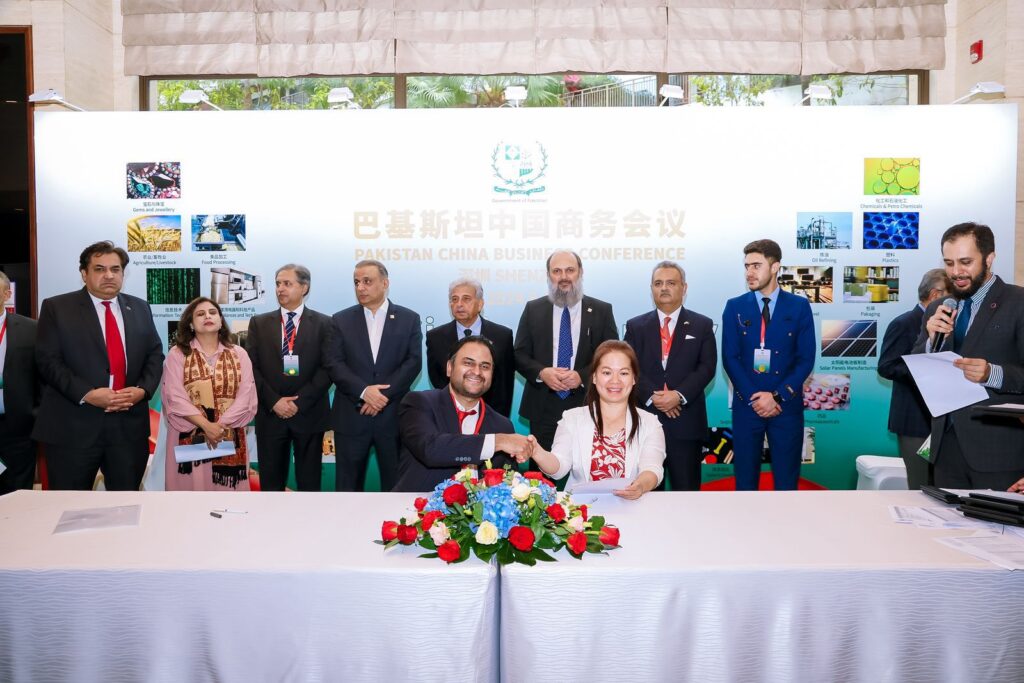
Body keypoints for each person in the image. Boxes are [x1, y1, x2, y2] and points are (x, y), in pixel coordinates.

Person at [33, 241, 163, 490]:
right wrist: (88, 394)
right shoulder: (57, 308)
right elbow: (48, 361)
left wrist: (142, 390)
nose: (109, 275)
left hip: (127, 429)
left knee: (126, 504)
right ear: (84, 274)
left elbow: (155, 355)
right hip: (73, 426)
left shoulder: (139, 307)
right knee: (69, 506)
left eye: (115, 269)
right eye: (100, 269)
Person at [911, 222, 1024, 490]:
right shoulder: (939, 308)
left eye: (965, 262)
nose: (956, 272)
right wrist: (930, 342)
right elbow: (916, 368)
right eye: (949, 263)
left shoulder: (1018, 303)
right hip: (945, 448)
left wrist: (992, 374)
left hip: (999, 453)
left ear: (989, 258)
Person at [721, 239, 815, 491]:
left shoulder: (799, 306)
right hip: (747, 406)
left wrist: (777, 396)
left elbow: (806, 358)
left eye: (756, 266)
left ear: (775, 267)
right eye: (746, 266)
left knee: (786, 482)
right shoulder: (735, 307)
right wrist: (756, 398)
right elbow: (730, 358)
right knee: (745, 482)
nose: (749, 273)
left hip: (785, 407)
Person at [326, 260, 422, 491]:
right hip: (351, 416)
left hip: (393, 417)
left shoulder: (409, 318)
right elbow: (334, 363)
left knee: (396, 486)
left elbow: (413, 362)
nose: (360, 287)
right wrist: (364, 392)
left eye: (367, 281)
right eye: (356, 282)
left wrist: (381, 396)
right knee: (347, 488)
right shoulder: (340, 320)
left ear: (385, 283)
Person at [527, 340, 665, 498]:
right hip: (581, 510)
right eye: (606, 373)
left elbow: (652, 468)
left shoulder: (650, 423)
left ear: (634, 378)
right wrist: (537, 452)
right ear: (594, 377)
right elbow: (559, 468)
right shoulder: (572, 418)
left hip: (632, 506)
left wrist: (640, 486)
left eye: (624, 373)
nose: (615, 380)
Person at [394, 335, 532, 492]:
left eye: (485, 366)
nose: (477, 372)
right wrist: (496, 442)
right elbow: (430, 449)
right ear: (449, 368)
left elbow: (506, 482)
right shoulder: (419, 403)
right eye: (468, 363)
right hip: (415, 504)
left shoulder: (502, 425)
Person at [624, 261, 716, 491]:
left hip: (685, 422)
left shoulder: (702, 325)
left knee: (686, 494)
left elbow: (706, 367)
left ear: (684, 288)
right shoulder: (635, 326)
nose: (664, 288)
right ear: (651, 289)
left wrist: (678, 395)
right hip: (645, 422)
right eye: (658, 283)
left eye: (671, 283)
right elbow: (628, 367)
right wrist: (653, 396)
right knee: (645, 495)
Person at [514, 250, 618, 451]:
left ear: (580, 272)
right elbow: (519, 354)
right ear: (548, 275)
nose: (564, 277)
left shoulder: (602, 310)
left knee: (586, 465)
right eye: (557, 271)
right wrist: (542, 373)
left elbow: (612, 357)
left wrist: (582, 376)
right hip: (543, 405)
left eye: (570, 270)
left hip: (587, 403)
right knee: (542, 467)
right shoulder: (533, 309)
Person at [247, 264, 332, 491]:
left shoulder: (325, 324)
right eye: (277, 284)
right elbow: (251, 368)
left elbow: (328, 369)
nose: (280, 289)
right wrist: (274, 401)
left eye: (287, 283)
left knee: (309, 483)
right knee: (271, 484)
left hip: (309, 414)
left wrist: (299, 402)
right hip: (270, 414)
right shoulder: (259, 323)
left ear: (304, 288)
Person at [160, 297, 257, 491]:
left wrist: (219, 427)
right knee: (192, 495)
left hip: (228, 436)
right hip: (190, 439)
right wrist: (206, 426)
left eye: (213, 313)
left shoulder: (239, 354)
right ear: (191, 324)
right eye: (200, 314)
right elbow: (175, 397)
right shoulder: (177, 355)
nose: (207, 316)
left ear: (221, 321)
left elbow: (246, 395)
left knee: (227, 497)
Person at [877, 268, 949, 489]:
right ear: (936, 295)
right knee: (921, 487)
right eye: (951, 296)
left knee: (942, 485)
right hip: (914, 421)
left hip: (943, 422)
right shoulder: (904, 323)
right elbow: (887, 366)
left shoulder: (951, 325)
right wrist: (924, 370)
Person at [425, 278, 515, 417]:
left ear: (480, 304)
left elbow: (505, 383)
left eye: (466, 299)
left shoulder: (502, 335)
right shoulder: (435, 336)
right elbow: (436, 378)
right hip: (449, 413)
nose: (459, 304)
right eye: (454, 299)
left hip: (491, 414)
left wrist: (500, 418)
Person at [0, 271, 39, 495]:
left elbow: (43, 376)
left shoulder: (31, 329)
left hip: (18, 428)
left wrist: (34, 413)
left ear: (7, 294)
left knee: (17, 494)